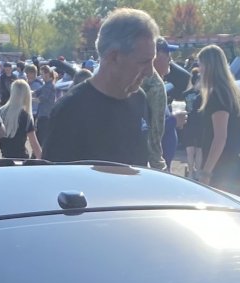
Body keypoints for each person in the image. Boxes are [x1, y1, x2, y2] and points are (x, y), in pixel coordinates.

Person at [42, 8, 156, 166]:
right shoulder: (70, 110)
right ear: (114, 57)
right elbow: (54, 179)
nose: (150, 72)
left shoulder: (140, 100)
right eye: (144, 62)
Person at [195, 45, 240, 194]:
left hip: (223, 167)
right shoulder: (232, 92)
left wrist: (206, 172)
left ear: (209, 66)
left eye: (201, 65)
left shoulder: (217, 95)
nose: (199, 70)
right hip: (235, 162)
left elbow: (220, 138)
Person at [0, 78, 40, 159]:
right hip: (21, 160)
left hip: (5, 159)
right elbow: (34, 145)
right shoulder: (25, 117)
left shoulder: (0, 113)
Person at [141, 46, 167, 168]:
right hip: (142, 163)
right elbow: (155, 131)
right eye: (167, 54)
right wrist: (158, 165)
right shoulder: (155, 85)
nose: (170, 59)